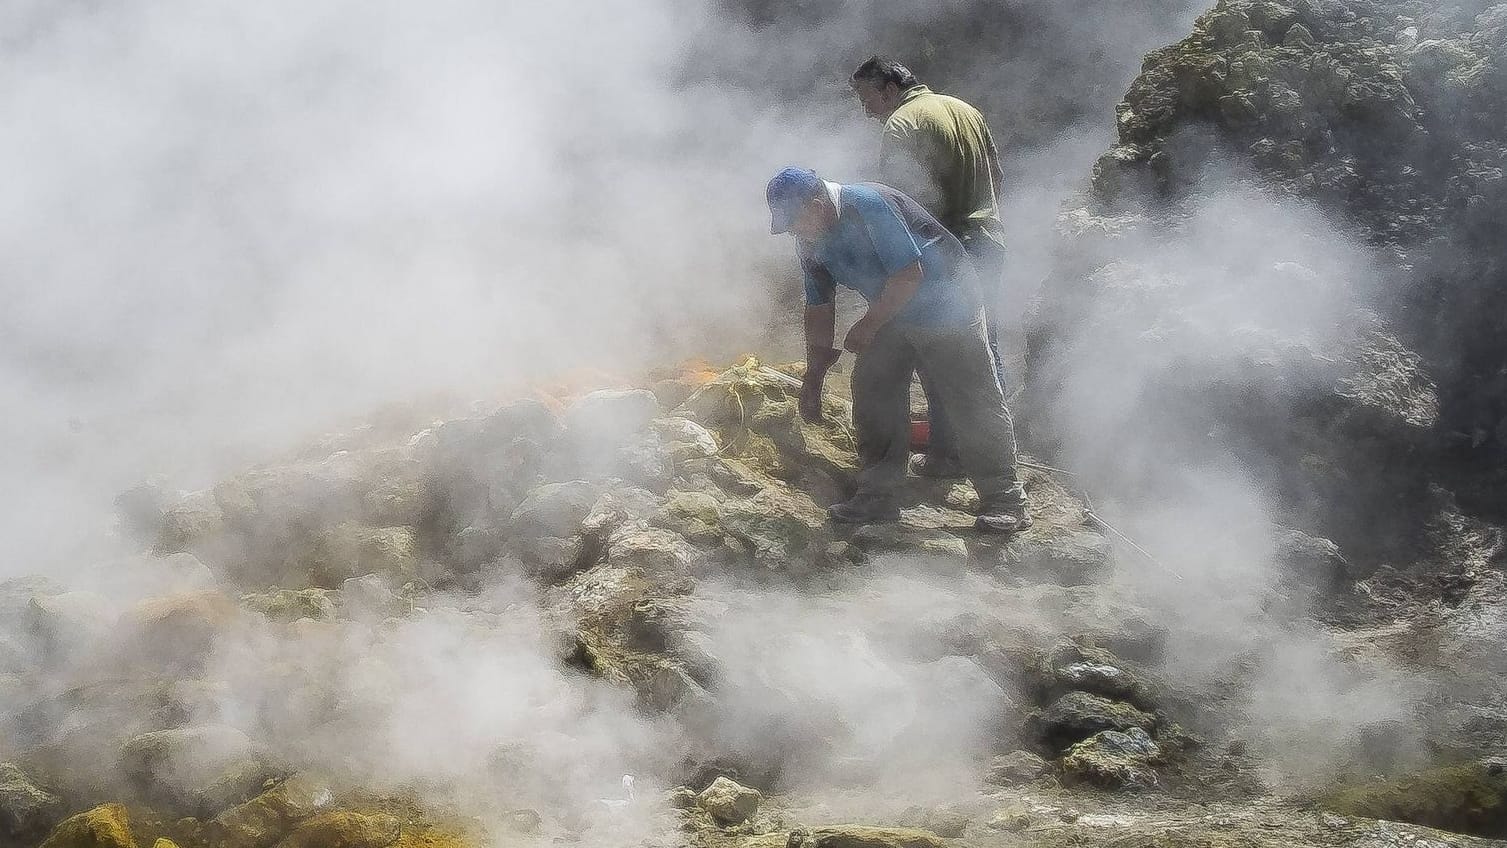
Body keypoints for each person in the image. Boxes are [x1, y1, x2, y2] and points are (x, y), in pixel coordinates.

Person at [766, 166, 1029, 533]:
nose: (795, 231)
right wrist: (814, 374)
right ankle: (877, 495)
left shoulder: (868, 205)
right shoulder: (810, 240)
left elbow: (910, 274)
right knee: (873, 390)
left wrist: (868, 325)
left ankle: (1005, 499)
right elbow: (819, 307)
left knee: (970, 397)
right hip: (891, 309)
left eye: (796, 222)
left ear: (817, 203)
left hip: (947, 303)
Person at [850, 55, 1009, 479]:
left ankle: (947, 456)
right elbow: (996, 174)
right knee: (985, 351)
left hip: (945, 251)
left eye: (866, 97)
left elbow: (905, 202)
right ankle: (991, 452)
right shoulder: (965, 110)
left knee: (939, 351)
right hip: (988, 241)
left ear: (888, 88)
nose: (866, 109)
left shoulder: (902, 124)